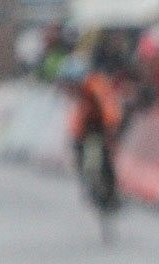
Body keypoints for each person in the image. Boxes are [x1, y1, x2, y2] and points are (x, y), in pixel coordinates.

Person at [62, 53, 124, 212]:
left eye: (72, 83)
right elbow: (77, 116)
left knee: (104, 156)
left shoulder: (97, 85)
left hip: (102, 125)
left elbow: (108, 108)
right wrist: (75, 135)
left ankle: (111, 190)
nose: (70, 88)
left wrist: (110, 129)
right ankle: (89, 183)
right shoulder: (76, 91)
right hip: (86, 126)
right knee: (79, 151)